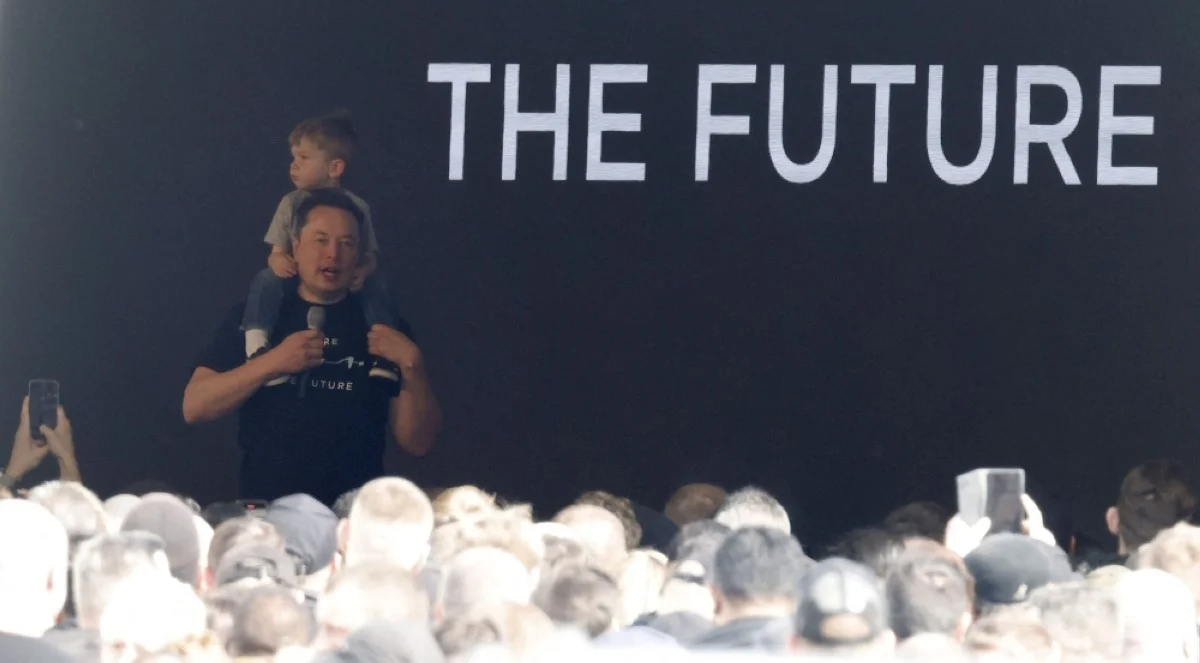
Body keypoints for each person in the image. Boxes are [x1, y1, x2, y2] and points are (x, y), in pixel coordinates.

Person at [182, 188, 441, 504]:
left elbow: (418, 443)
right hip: (269, 511)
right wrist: (272, 362)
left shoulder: (385, 327)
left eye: (347, 244)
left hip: (351, 517)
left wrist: (414, 368)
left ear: (359, 256)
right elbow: (195, 406)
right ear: (295, 247)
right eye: (321, 240)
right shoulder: (257, 318)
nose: (333, 254)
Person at [243, 110, 404, 383]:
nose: (294, 166)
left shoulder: (358, 207)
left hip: (344, 287)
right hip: (294, 278)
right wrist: (279, 260)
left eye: (304, 158)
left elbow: (369, 256)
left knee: (379, 285)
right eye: (293, 158)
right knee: (264, 280)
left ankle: (385, 355)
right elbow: (276, 252)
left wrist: (362, 271)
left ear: (335, 168)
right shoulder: (289, 203)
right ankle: (257, 345)